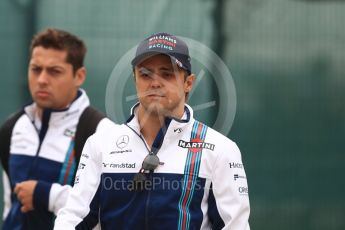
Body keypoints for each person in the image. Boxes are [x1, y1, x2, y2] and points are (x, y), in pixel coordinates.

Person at [54, 32, 250, 230]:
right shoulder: (100, 144)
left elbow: (235, 227)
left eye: (167, 73)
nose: (155, 83)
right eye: (145, 74)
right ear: (135, 79)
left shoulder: (221, 150)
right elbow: (74, 217)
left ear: (188, 83)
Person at [0, 28, 108, 230]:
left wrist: (47, 195)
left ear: (79, 76)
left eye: (54, 71)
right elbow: (10, 205)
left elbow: (108, 212)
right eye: (35, 69)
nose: (42, 79)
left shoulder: (100, 131)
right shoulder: (11, 127)